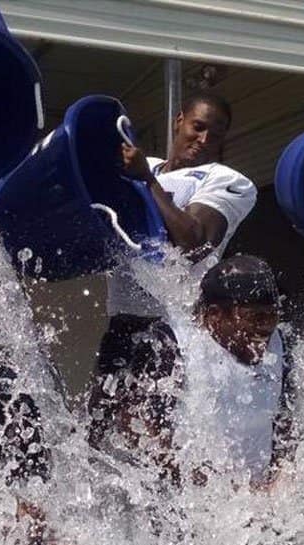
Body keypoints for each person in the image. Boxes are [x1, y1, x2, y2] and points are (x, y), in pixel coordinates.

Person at [89, 91, 259, 445]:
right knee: (98, 436)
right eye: (198, 127)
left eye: (216, 133)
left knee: (155, 442)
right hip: (121, 325)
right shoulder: (139, 163)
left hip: (171, 331)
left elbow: (195, 243)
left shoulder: (227, 180)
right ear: (179, 121)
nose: (204, 139)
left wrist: (147, 183)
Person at [102, 254, 291, 489]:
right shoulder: (172, 344)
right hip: (185, 502)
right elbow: (134, 426)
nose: (264, 328)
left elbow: (286, 422)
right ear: (214, 316)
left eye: (272, 315)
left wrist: (280, 476)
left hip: (254, 504)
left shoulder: (279, 345)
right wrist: (210, 483)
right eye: (254, 317)